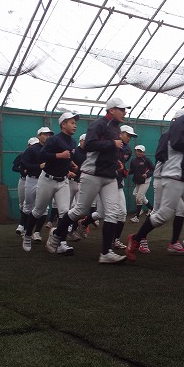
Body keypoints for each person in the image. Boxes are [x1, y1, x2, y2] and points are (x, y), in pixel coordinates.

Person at [126, 87, 184, 272]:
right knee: (162, 215)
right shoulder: (183, 120)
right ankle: (136, 239)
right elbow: (177, 143)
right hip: (175, 175)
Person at [46, 97, 130, 264]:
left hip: (109, 176)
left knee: (113, 213)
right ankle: (56, 235)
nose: (125, 112)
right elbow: (90, 145)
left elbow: (107, 150)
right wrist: (112, 143)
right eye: (121, 109)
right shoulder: (99, 124)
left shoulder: (115, 127)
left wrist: (115, 162)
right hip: (92, 174)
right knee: (79, 211)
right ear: (111, 110)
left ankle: (106, 253)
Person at [24, 112, 79, 255]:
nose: (75, 125)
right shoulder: (54, 139)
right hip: (47, 180)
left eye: (75, 123)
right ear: (63, 124)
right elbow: (42, 155)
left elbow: (68, 157)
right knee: (38, 211)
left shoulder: (73, 142)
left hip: (63, 181)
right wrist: (60, 155)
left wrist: (71, 164)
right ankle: (28, 235)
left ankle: (62, 243)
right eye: (72, 122)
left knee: (65, 213)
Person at [152, 110, 184, 255]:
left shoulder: (182, 137)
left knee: (182, 210)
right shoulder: (167, 135)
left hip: (172, 179)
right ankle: (138, 238)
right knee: (157, 212)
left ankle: (173, 242)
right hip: (161, 178)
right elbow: (159, 155)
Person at [21, 127, 54, 249]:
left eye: (49, 135)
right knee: (28, 206)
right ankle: (25, 230)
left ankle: (37, 232)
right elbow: (24, 164)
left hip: (45, 179)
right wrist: (38, 166)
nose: (48, 136)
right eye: (45, 134)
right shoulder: (32, 149)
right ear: (39, 136)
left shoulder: (51, 149)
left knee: (44, 208)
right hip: (32, 179)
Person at [112, 125, 136, 250]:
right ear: (120, 133)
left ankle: (115, 240)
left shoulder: (128, 150)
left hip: (118, 183)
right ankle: (83, 223)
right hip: (105, 182)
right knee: (101, 213)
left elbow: (122, 164)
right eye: (128, 135)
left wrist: (123, 170)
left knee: (122, 212)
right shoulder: (110, 144)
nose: (129, 138)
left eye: (131, 136)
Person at [13, 137, 37, 235]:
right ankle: (23, 224)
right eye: (32, 145)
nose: (34, 147)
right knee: (22, 202)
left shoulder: (39, 155)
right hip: (24, 180)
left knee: (32, 204)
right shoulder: (22, 155)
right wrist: (22, 170)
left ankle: (25, 226)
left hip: (35, 180)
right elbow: (14, 167)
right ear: (28, 146)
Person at [129, 144, 155, 223]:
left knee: (139, 197)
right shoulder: (133, 160)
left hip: (145, 181)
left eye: (140, 151)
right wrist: (125, 172)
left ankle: (137, 217)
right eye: (137, 151)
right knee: (138, 196)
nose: (138, 152)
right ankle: (151, 209)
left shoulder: (146, 160)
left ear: (144, 152)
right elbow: (132, 170)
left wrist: (147, 175)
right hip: (138, 181)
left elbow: (152, 169)